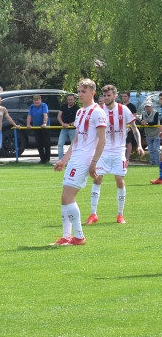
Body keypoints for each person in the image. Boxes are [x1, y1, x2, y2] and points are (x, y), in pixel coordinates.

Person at [53, 78, 106, 245]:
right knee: (64, 198)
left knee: (68, 197)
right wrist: (64, 159)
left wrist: (94, 162)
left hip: (84, 160)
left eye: (83, 91)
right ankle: (66, 236)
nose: (80, 94)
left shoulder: (98, 112)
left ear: (93, 93)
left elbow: (102, 140)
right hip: (75, 158)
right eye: (79, 91)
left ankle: (80, 236)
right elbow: (76, 139)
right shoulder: (80, 112)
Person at [87, 84, 142, 225]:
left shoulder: (123, 109)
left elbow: (135, 129)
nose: (106, 98)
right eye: (104, 96)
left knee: (119, 181)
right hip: (103, 152)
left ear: (115, 96)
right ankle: (93, 214)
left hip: (118, 151)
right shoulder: (99, 111)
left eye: (109, 95)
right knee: (97, 179)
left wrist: (140, 145)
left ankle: (120, 215)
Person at [26, 94, 51, 163]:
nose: (36, 102)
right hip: (36, 126)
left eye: (37, 100)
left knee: (46, 143)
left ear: (40, 100)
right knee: (38, 143)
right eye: (35, 100)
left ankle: (47, 159)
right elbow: (29, 116)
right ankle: (42, 159)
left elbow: (45, 115)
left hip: (45, 127)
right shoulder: (32, 107)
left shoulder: (44, 105)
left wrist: (44, 123)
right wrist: (28, 124)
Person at [56, 92, 79, 162]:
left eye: (71, 99)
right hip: (64, 128)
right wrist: (62, 124)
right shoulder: (63, 106)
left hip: (72, 129)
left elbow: (78, 119)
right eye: (69, 99)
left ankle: (73, 161)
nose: (70, 101)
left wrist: (72, 124)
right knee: (60, 144)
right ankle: (60, 160)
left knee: (73, 145)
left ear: (74, 100)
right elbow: (59, 116)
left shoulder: (77, 108)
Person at [139, 99, 160, 166]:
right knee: (150, 149)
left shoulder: (156, 113)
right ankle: (152, 162)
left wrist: (146, 123)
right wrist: (142, 122)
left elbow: (155, 122)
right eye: (146, 106)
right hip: (148, 133)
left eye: (149, 106)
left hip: (156, 133)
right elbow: (142, 121)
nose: (147, 108)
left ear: (152, 107)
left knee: (156, 149)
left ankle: (157, 162)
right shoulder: (143, 113)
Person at [121, 91, 138, 161]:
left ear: (129, 97)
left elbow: (134, 117)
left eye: (125, 96)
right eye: (123, 96)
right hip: (121, 128)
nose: (124, 98)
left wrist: (130, 126)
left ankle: (127, 158)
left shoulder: (132, 106)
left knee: (128, 142)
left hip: (129, 127)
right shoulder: (120, 106)